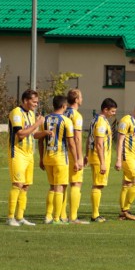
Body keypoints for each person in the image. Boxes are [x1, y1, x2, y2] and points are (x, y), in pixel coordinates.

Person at [7, 89, 44, 226]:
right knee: (17, 184)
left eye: (37, 102)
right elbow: (21, 134)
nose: (36, 104)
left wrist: (45, 132)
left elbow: (32, 134)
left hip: (29, 154)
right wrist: (37, 124)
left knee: (26, 186)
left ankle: (20, 216)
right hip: (17, 152)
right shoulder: (16, 112)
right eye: (34, 102)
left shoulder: (31, 114)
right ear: (25, 100)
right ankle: (10, 217)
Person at [37, 95, 75, 225]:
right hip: (60, 159)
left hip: (48, 158)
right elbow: (71, 143)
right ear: (64, 106)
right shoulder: (66, 121)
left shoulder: (45, 119)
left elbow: (40, 140)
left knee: (52, 187)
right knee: (60, 188)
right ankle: (57, 218)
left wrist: (41, 158)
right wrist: (76, 159)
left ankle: (48, 216)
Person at [87, 98, 117, 223]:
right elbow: (99, 144)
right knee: (98, 185)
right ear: (105, 109)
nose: (114, 113)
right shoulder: (100, 122)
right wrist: (103, 162)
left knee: (99, 185)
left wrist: (86, 154)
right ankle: (95, 215)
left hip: (98, 156)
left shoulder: (98, 119)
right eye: (112, 111)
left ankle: (96, 213)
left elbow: (89, 138)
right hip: (99, 157)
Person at [60, 89, 86, 224]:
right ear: (76, 100)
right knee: (76, 183)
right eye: (81, 97)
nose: (82, 99)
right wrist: (79, 157)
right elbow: (77, 138)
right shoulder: (76, 116)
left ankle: (62, 215)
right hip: (72, 153)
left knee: (63, 184)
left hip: (61, 153)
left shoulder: (63, 112)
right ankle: (73, 217)